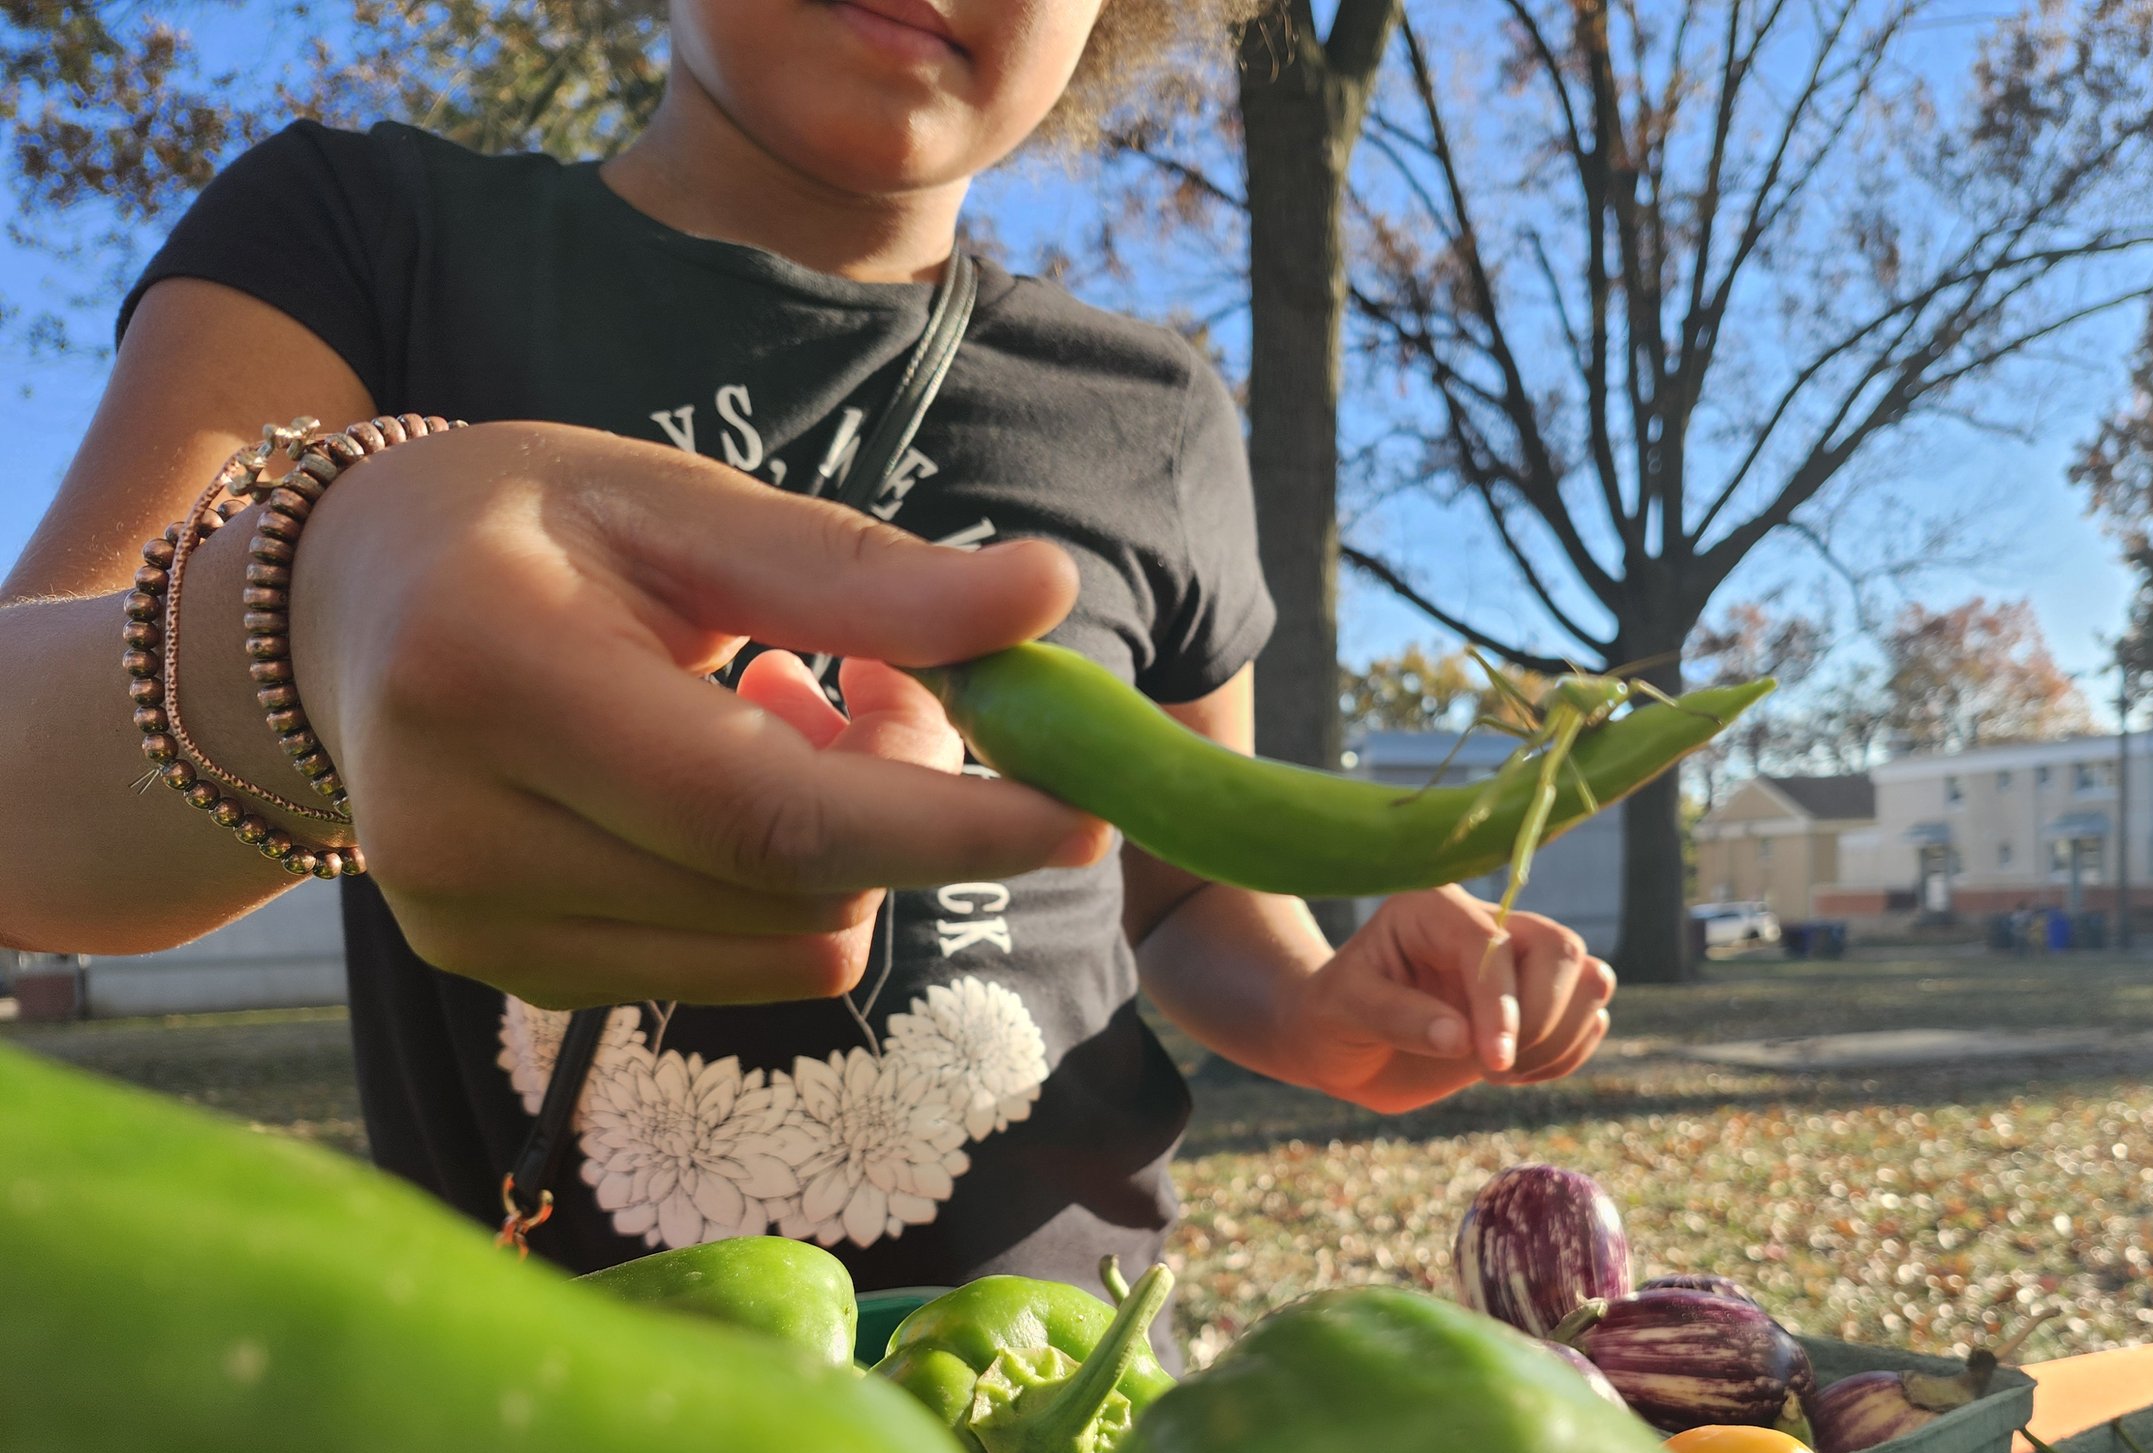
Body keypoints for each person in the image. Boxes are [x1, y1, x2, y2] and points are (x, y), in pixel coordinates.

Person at [0, 0, 1616, 1303]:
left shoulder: (1159, 411)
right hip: (536, 1416)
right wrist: (312, 597)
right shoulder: (363, 240)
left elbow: (1183, 881)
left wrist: (1324, 1003)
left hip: (1066, 1390)